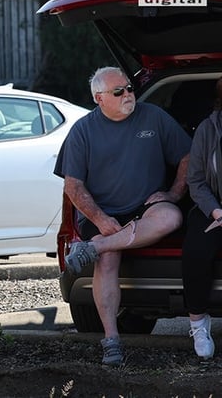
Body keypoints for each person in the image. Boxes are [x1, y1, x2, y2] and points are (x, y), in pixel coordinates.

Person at [56, 66, 191, 365]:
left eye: (129, 87)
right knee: (109, 259)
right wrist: (102, 220)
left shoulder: (153, 116)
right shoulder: (82, 130)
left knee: (172, 218)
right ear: (99, 98)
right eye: (120, 92)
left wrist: (172, 194)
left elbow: (187, 156)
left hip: (146, 206)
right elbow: (73, 187)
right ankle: (112, 341)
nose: (129, 94)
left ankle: (92, 249)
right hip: (102, 212)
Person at [181, 77, 222, 359]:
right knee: (195, 252)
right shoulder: (208, 129)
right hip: (213, 207)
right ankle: (198, 323)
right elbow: (195, 180)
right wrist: (216, 210)